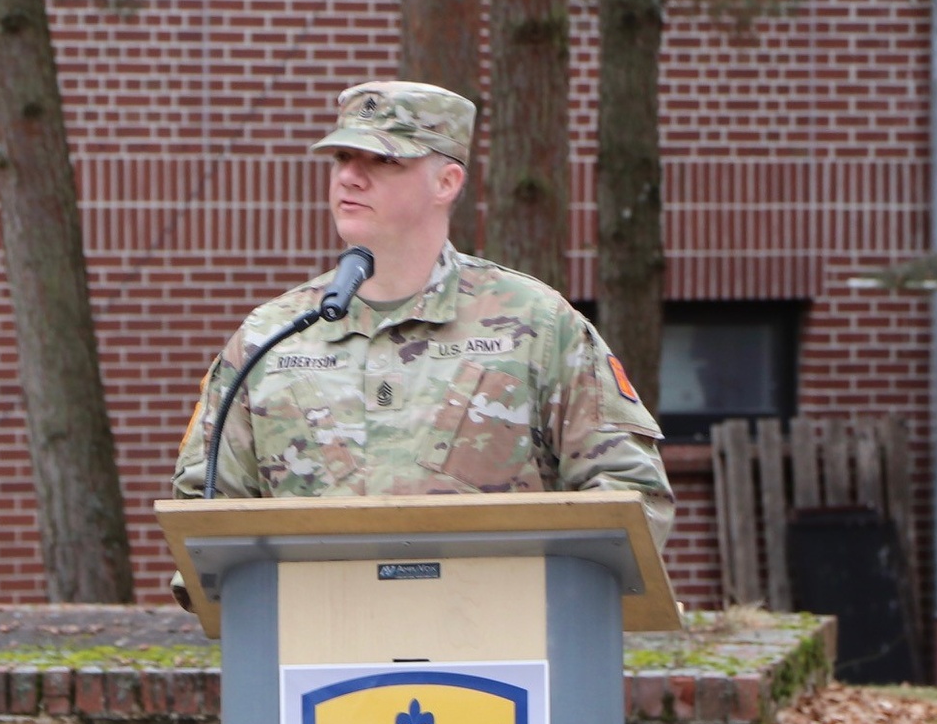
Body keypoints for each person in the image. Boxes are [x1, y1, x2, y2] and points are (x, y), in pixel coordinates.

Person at [172, 80, 674, 603]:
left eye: (382, 161)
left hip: (500, 654)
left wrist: (554, 604)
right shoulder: (269, 336)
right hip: (317, 650)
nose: (349, 176)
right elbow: (204, 510)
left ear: (447, 181)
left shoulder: (536, 326)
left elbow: (629, 498)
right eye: (342, 156)